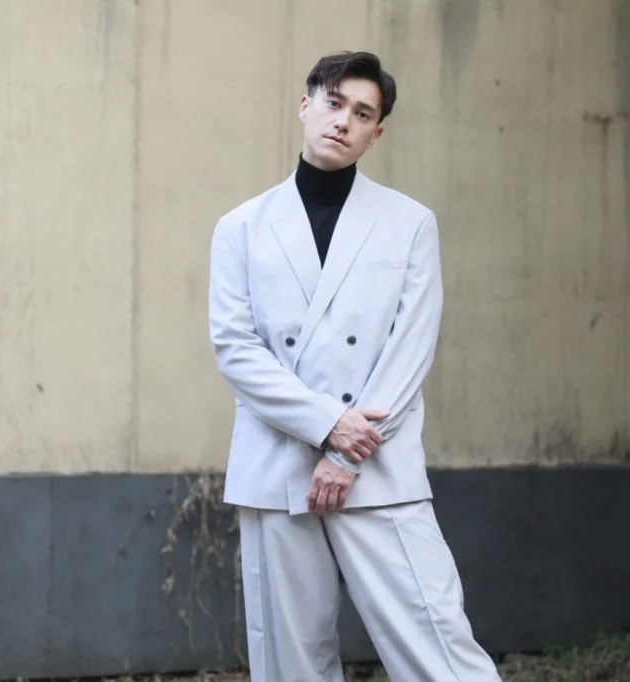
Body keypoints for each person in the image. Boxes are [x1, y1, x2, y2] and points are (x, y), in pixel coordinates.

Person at [207, 51, 501, 681]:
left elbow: (411, 347)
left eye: (362, 113)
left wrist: (345, 453)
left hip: (376, 463)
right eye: (334, 103)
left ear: (376, 133)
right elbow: (235, 348)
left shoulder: (410, 223)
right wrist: (325, 425)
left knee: (438, 644)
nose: (344, 120)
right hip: (276, 465)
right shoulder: (241, 227)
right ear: (306, 105)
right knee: (289, 663)